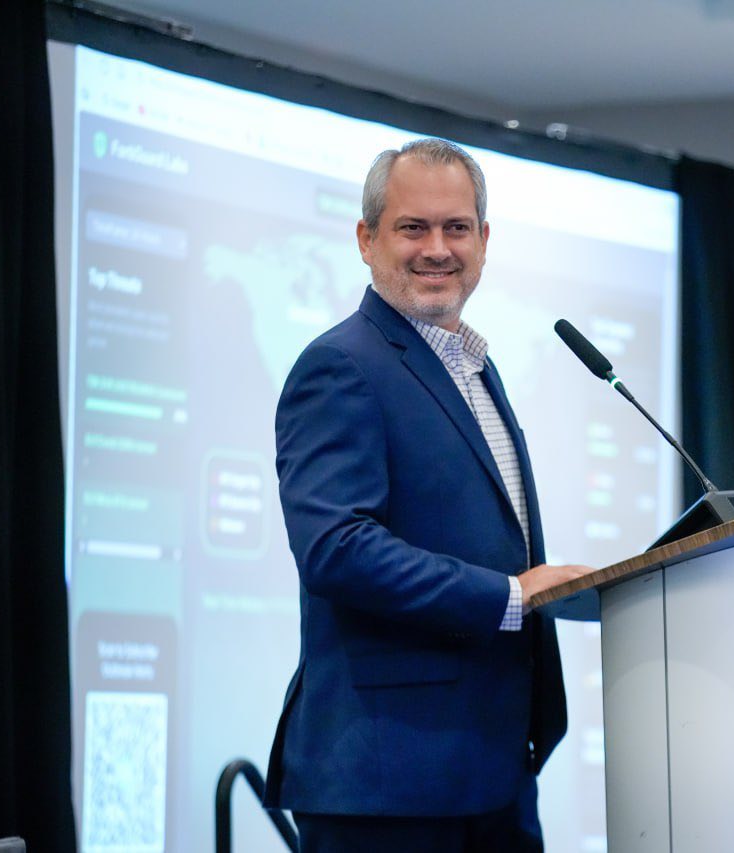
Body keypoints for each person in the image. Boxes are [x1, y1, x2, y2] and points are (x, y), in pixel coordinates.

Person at [263, 137, 593, 852]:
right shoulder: (340, 365)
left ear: (484, 241)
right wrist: (509, 595)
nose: (437, 249)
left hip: (495, 770)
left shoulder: (474, 367)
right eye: (413, 227)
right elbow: (336, 549)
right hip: (389, 781)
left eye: (457, 228)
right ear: (366, 239)